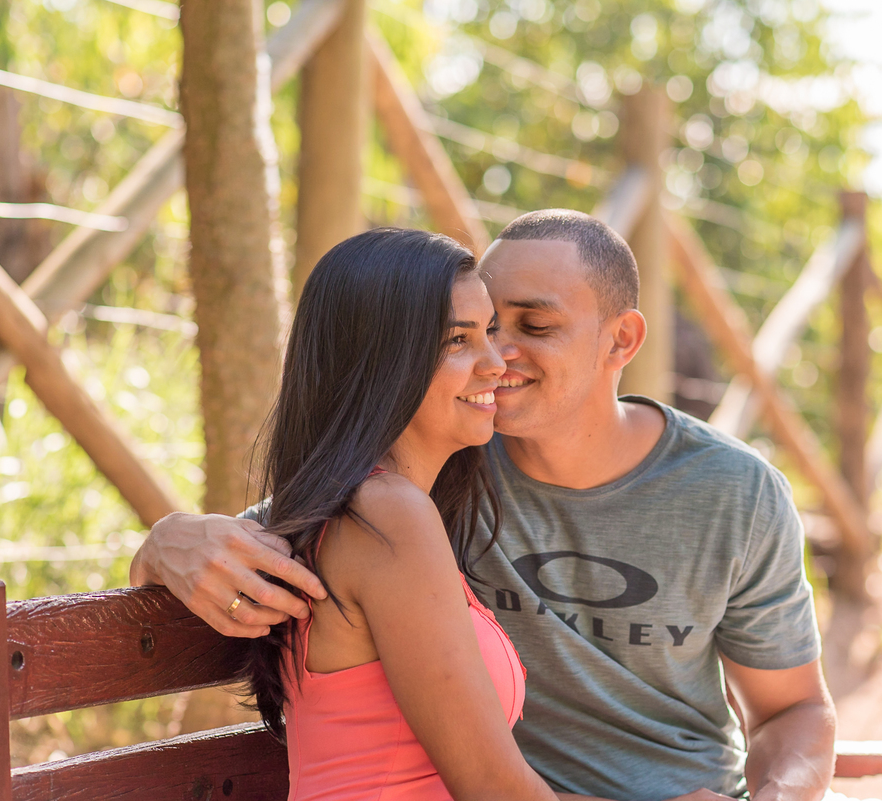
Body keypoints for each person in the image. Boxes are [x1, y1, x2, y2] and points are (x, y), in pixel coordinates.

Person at [132, 210, 837, 801]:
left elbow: (795, 708)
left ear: (620, 340)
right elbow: (275, 535)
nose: (500, 356)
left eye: (534, 327)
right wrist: (166, 538)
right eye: (476, 330)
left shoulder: (733, 492)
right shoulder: (434, 477)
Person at [215, 225, 634, 801]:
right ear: (382, 361)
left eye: (487, 331)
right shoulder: (388, 514)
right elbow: (492, 787)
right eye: (457, 341)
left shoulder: (380, 507)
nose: (497, 363)